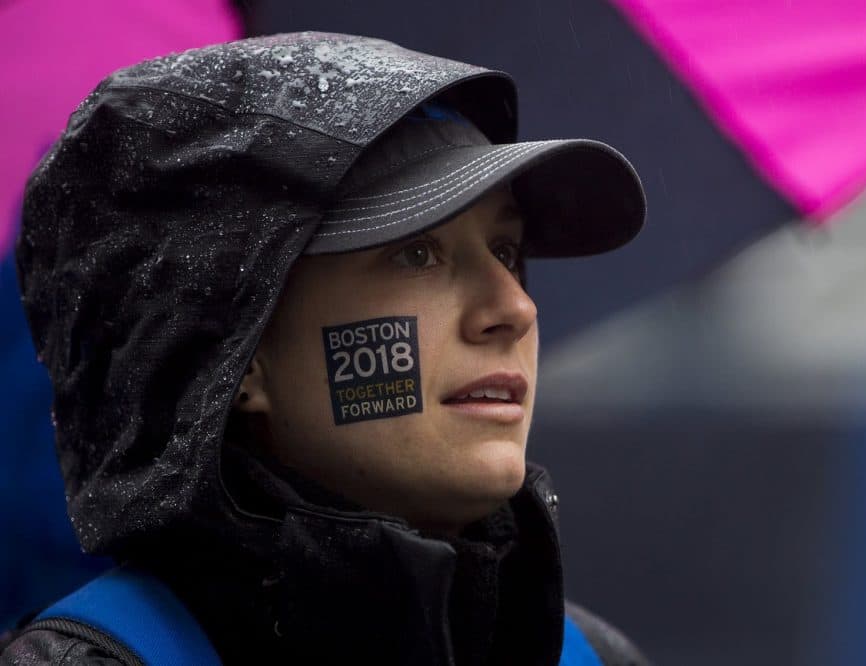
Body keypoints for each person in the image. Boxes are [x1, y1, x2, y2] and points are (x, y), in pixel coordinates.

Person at [1, 32, 648, 665]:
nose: (515, 308)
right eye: (417, 252)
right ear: (240, 351)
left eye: (506, 252)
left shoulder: (592, 655)